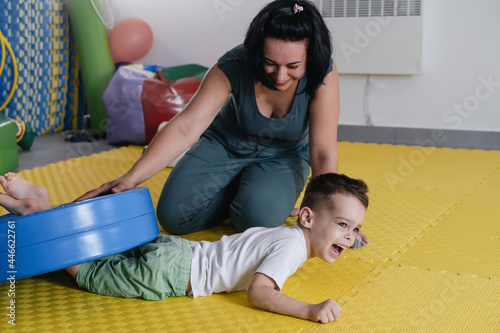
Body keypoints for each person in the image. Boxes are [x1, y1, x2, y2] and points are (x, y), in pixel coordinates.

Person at [76, 0, 372, 244]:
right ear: (257, 51)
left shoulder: (323, 73)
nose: (280, 76)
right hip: (226, 145)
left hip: (284, 155)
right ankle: (241, 189)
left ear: (310, 57)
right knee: (174, 218)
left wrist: (333, 218)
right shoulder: (233, 64)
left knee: (255, 223)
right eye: (270, 63)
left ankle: (253, 195)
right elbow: (186, 126)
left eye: (293, 66)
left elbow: (322, 152)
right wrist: (129, 179)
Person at [0, 172, 368, 324]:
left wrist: (342, 235)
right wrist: (309, 309)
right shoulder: (291, 251)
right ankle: (39, 211)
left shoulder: (289, 232)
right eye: (342, 225)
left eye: (354, 230)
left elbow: (329, 230)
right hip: (174, 275)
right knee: (92, 273)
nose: (348, 237)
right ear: (306, 217)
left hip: (179, 251)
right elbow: (260, 292)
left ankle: (42, 202)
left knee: (102, 248)